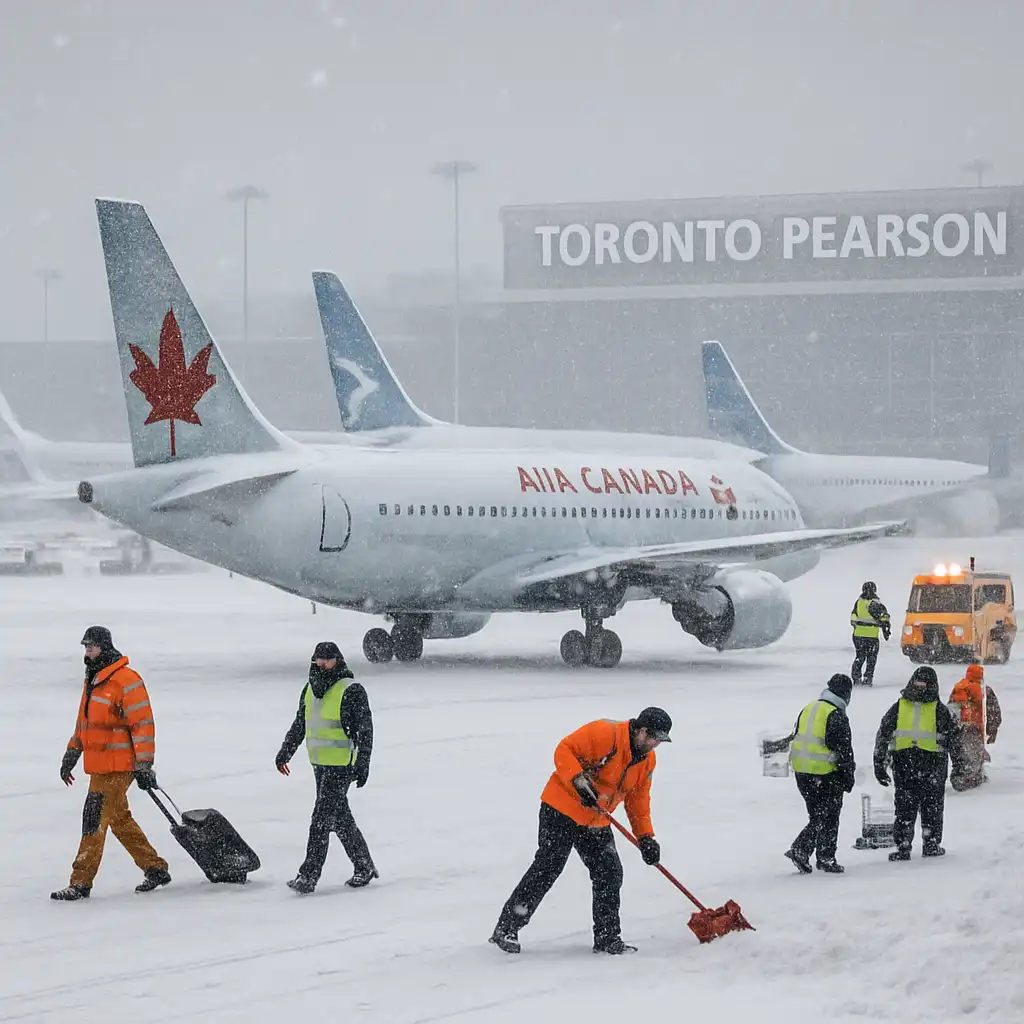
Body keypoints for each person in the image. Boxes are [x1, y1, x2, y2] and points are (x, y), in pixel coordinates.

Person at [490, 707, 671, 956]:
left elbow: (638, 802)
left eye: (660, 741)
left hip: (596, 819)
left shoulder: (647, 760)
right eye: (653, 738)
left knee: (609, 872)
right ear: (640, 729)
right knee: (549, 866)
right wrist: (578, 780)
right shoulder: (605, 733)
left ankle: (608, 938)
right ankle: (506, 928)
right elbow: (564, 750)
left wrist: (646, 838)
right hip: (561, 809)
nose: (654, 745)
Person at [51, 627, 170, 901]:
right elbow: (85, 723)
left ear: (104, 647)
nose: (86, 652)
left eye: (90, 647)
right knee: (118, 818)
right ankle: (154, 867)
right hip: (100, 766)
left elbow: (143, 725)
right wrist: (71, 754)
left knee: (93, 818)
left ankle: (80, 882)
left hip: (119, 766)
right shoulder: (93, 680)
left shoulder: (125, 680)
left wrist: (143, 765)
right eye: (85, 647)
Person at [276, 641, 376, 893]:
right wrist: (285, 752)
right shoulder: (309, 690)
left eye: (327, 659)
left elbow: (365, 731)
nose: (322, 663)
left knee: (320, 820)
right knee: (340, 819)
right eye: (318, 659)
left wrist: (363, 763)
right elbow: (301, 723)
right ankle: (363, 866)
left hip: (342, 766)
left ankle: (308, 876)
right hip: (319, 764)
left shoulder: (351, 690)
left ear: (337, 660)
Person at [874, 665, 961, 860]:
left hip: (904, 765)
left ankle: (903, 845)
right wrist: (958, 766)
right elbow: (954, 740)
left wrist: (879, 763)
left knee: (905, 806)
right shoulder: (940, 711)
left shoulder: (898, 707)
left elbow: (883, 735)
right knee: (932, 806)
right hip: (933, 767)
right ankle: (930, 843)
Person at [784, 673, 856, 875]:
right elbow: (844, 751)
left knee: (818, 814)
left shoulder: (809, 707)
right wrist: (848, 777)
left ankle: (816, 854)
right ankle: (816, 854)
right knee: (828, 816)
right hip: (823, 773)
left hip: (802, 772)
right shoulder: (836, 715)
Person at [948, 664, 1002, 791]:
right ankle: (971, 782)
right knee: (973, 758)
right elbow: (993, 711)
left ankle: (960, 778)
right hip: (974, 730)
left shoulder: (959, 686)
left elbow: (951, 708)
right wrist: (992, 730)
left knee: (961, 756)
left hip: (960, 728)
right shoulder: (983, 689)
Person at [850, 581, 891, 686]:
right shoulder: (876, 603)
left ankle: (856, 677)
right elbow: (884, 617)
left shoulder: (858, 602)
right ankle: (868, 678)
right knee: (871, 659)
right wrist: (885, 628)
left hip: (858, 635)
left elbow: (853, 617)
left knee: (860, 656)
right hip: (872, 636)